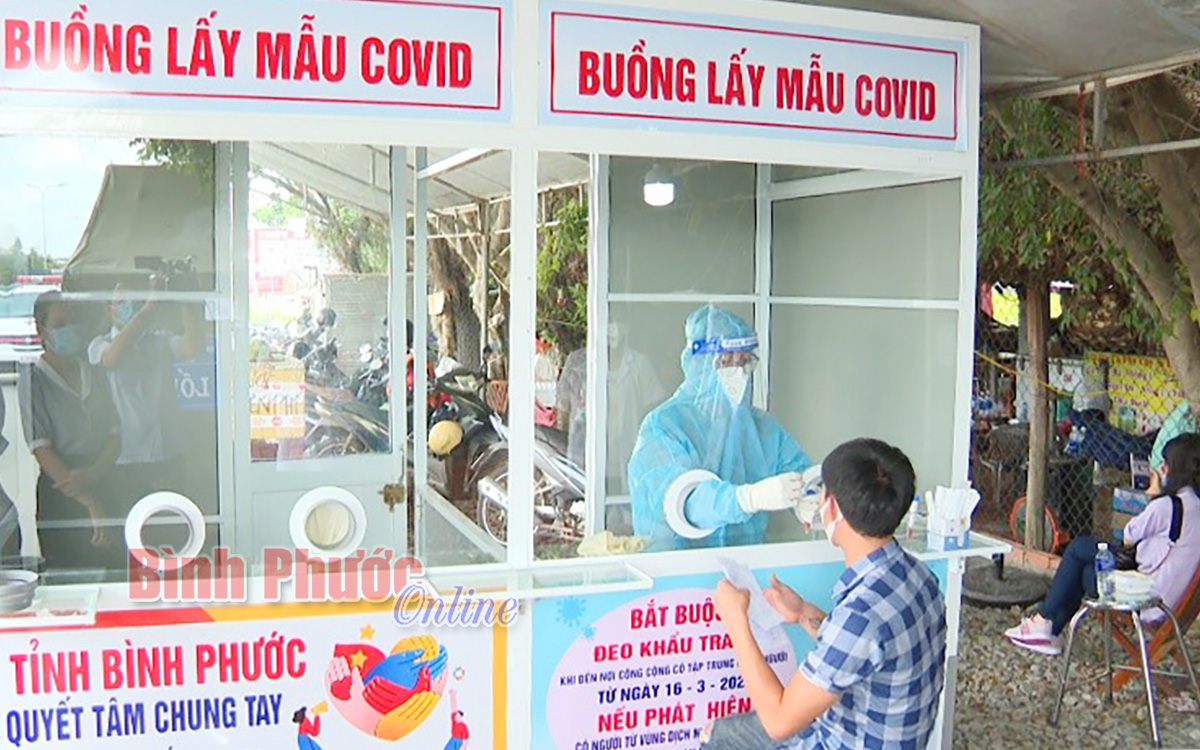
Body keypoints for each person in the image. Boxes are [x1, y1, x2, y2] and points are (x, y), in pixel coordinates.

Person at [708, 438, 947, 749]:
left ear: (832, 508)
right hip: (876, 735)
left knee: (717, 735)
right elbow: (863, 650)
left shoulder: (860, 616)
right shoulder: (919, 577)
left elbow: (779, 721)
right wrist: (802, 612)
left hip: (838, 742)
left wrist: (735, 620)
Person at [627, 304, 811, 550]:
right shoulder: (663, 427)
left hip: (747, 567)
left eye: (744, 362)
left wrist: (809, 496)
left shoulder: (762, 428)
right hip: (677, 568)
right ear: (699, 364)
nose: (738, 373)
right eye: (726, 362)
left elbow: (804, 473)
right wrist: (748, 498)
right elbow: (682, 502)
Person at [1007, 432, 1200, 656]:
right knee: (1084, 563)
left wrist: (1154, 495)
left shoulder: (1168, 505)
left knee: (1079, 552)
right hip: (1172, 605)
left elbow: (1128, 536)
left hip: (1146, 600)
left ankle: (1045, 623)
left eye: (1165, 464)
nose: (1161, 469)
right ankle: (1048, 628)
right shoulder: (1195, 506)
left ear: (1175, 470)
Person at [19, 291, 121, 571]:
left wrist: (94, 473)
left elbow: (115, 434)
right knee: (67, 574)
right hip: (62, 489)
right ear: (41, 330)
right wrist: (89, 502)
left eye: (74, 322)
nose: (70, 330)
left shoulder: (94, 372)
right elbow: (41, 448)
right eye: (60, 324)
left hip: (102, 476)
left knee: (112, 571)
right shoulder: (33, 379)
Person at [88, 284, 204, 510]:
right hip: (127, 457)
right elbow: (112, 358)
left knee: (172, 521)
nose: (130, 305)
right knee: (134, 524)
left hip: (169, 452)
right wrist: (148, 310)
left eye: (135, 299)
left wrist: (185, 301)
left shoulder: (159, 339)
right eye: (122, 301)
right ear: (109, 308)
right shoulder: (100, 344)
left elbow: (193, 348)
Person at [557, 322, 665, 490]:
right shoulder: (576, 363)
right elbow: (562, 412)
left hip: (628, 461)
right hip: (585, 462)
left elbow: (656, 411)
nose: (611, 329)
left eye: (616, 323)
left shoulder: (639, 364)